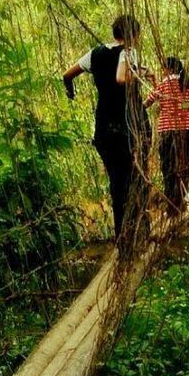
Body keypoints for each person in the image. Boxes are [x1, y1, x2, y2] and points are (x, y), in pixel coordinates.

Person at [63, 14, 152, 242]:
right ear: (133, 35)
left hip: (104, 130)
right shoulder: (129, 52)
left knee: (117, 183)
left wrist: (70, 91)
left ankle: (122, 236)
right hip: (129, 128)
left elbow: (67, 75)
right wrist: (141, 73)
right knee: (137, 180)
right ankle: (138, 234)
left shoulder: (95, 54)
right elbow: (122, 78)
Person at [145, 56, 189, 213]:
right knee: (183, 167)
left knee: (168, 168)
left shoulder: (162, 86)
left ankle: (172, 207)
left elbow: (147, 103)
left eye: (163, 68)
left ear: (169, 69)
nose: (162, 71)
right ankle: (181, 201)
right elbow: (186, 103)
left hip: (167, 132)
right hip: (186, 131)